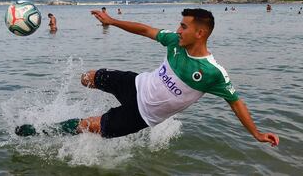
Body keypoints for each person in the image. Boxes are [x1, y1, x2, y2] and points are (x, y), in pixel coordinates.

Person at [15, 8, 279, 147]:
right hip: (135, 83)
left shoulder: (212, 72)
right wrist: (111, 21)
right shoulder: (175, 42)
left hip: (140, 116)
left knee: (86, 126)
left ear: (200, 33)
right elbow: (144, 30)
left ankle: (37, 132)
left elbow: (236, 102)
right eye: (179, 24)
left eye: (184, 26)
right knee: (88, 77)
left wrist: (256, 133)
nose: (178, 30)